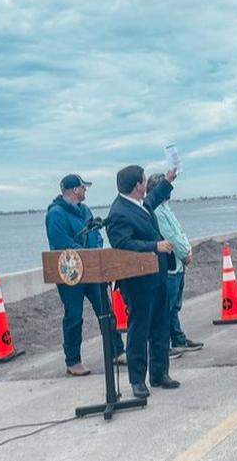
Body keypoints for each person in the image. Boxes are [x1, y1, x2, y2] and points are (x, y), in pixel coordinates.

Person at [105, 165, 180, 399]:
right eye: (144, 180)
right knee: (139, 328)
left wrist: (168, 180)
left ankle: (159, 373)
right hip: (138, 281)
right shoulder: (118, 212)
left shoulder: (139, 203)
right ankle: (137, 379)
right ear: (138, 185)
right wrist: (154, 246)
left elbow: (153, 199)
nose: (146, 184)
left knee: (161, 324)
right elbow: (123, 243)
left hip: (157, 274)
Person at [44, 174, 125, 377]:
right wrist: (87, 256)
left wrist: (95, 253)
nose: (85, 190)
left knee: (105, 311)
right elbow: (62, 243)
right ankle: (73, 361)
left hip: (92, 270)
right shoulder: (55, 214)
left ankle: (116, 351)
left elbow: (96, 235)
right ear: (74, 190)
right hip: (70, 274)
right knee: (74, 316)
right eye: (83, 187)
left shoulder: (85, 210)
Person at [145, 172, 204, 355]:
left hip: (178, 263)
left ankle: (178, 338)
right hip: (170, 265)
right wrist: (184, 253)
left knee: (173, 307)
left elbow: (179, 231)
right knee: (166, 307)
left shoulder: (165, 208)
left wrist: (187, 250)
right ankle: (165, 345)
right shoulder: (157, 211)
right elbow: (170, 236)